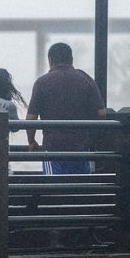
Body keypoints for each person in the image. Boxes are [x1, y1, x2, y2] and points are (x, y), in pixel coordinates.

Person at [26, 42, 106, 174]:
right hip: (81, 148)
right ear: (71, 60)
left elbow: (31, 117)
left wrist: (31, 141)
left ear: (50, 61)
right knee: (78, 189)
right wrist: (92, 137)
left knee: (53, 189)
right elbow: (101, 113)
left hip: (53, 147)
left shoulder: (42, 82)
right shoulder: (86, 80)